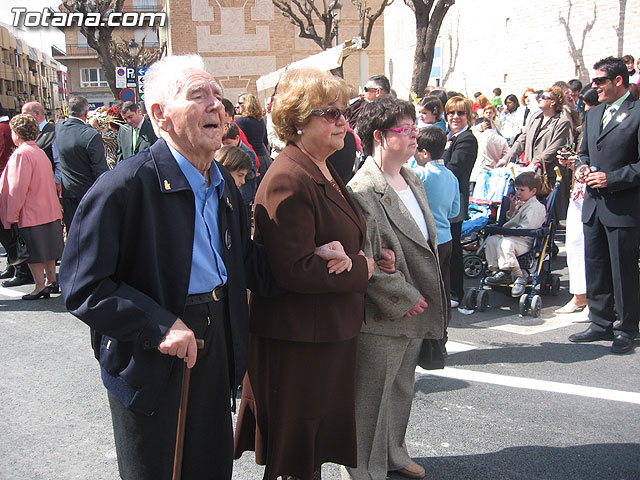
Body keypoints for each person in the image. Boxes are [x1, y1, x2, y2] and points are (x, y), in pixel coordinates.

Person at [60, 54, 336, 479]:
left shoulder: (221, 181)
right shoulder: (125, 187)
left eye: (219, 97)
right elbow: (83, 286)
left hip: (217, 338)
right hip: (154, 353)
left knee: (209, 465)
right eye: (197, 95)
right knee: (160, 470)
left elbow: (242, 260)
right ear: (161, 116)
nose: (217, 106)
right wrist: (158, 326)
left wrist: (309, 259)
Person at [233, 67, 376, 480]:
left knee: (309, 451)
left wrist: (358, 256)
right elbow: (293, 270)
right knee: (295, 456)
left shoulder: (322, 168)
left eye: (343, 112)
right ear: (297, 121)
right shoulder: (289, 178)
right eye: (330, 113)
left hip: (323, 332)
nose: (342, 121)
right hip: (298, 340)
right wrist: (361, 269)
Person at [344, 96, 447, 480]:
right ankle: (362, 471)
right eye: (404, 130)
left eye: (414, 128)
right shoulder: (362, 189)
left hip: (418, 303)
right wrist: (403, 294)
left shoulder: (413, 177)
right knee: (371, 397)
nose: (414, 135)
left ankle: (394, 453)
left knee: (402, 387)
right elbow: (367, 259)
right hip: (387, 310)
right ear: (379, 137)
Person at [568, 56, 640, 354]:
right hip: (594, 205)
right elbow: (583, 153)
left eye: (599, 81)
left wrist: (612, 178)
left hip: (623, 205)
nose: (593, 86)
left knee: (622, 270)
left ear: (618, 81)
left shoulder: (637, 113)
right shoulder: (594, 114)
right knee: (595, 264)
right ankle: (600, 322)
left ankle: (626, 327)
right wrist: (582, 168)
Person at [0, 114, 64, 299]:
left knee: (32, 252)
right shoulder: (38, 151)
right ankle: (51, 281)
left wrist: (11, 215)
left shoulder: (21, 154)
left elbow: (18, 188)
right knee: (49, 250)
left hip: (31, 212)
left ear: (17, 134)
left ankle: (39, 286)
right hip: (48, 209)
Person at [409, 126, 459, 325]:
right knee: (443, 286)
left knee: (425, 288)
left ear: (424, 152)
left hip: (427, 239)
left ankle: (429, 334)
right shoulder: (451, 176)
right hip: (446, 238)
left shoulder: (419, 175)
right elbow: (454, 212)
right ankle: (443, 332)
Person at [485, 171, 547, 297]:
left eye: (521, 190)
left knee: (505, 242)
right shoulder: (523, 204)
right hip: (515, 237)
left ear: (533, 191)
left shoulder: (536, 207)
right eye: (517, 189)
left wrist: (507, 232)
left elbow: (527, 228)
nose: (518, 193)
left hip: (526, 240)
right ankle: (502, 271)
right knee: (491, 241)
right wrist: (512, 209)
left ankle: (519, 275)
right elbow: (513, 221)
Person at [497, 86, 571, 188]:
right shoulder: (535, 118)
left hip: (549, 176)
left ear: (553, 102)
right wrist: (507, 158)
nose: (539, 99)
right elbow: (522, 139)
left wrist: (536, 163)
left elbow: (554, 147)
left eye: (544, 97)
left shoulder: (562, 121)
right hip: (530, 174)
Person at [443, 96, 478, 307]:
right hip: (442, 199)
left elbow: (452, 169)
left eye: (460, 113)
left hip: (455, 200)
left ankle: (456, 292)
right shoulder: (449, 136)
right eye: (451, 113)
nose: (455, 117)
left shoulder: (467, 139)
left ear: (469, 116)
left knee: (453, 247)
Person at [55, 96, 108, 229]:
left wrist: (89, 126)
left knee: (73, 232)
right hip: (89, 194)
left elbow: (76, 134)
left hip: (68, 193)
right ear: (85, 113)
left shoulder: (59, 128)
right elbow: (100, 170)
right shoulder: (91, 136)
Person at [235, 93, 271, 183]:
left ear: (246, 105)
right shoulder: (260, 121)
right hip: (264, 158)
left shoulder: (240, 122)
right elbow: (264, 140)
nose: (237, 105)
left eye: (240, 103)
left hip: (251, 159)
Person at [222, 122, 257, 213]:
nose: (225, 146)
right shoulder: (227, 151)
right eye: (223, 143)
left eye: (228, 143)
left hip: (243, 195)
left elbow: (251, 174)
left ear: (237, 138)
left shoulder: (247, 153)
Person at [470, 104, 509, 183]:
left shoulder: (477, 136)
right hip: (495, 174)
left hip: (479, 174)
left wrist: (479, 127)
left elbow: (468, 131)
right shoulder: (502, 140)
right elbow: (507, 156)